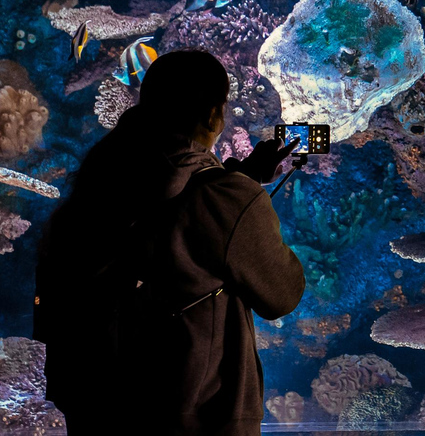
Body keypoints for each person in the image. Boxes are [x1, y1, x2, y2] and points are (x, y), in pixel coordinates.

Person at [34, 50, 305, 435]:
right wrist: (245, 193)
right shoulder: (228, 200)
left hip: (100, 409)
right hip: (194, 416)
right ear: (213, 114)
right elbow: (282, 294)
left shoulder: (102, 179)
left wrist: (236, 183)